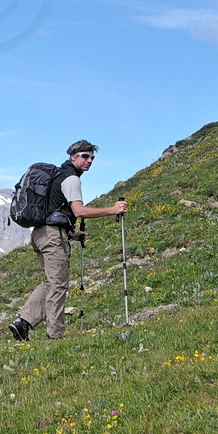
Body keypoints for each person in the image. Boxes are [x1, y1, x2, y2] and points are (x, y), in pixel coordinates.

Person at [9, 140, 128, 340]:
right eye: (84, 156)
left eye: (92, 157)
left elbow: (54, 212)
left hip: (40, 233)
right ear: (73, 156)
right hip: (52, 237)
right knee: (58, 285)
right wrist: (112, 210)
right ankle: (55, 335)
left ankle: (23, 323)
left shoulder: (59, 176)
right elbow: (78, 211)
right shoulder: (71, 178)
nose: (89, 160)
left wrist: (72, 234)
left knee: (49, 283)